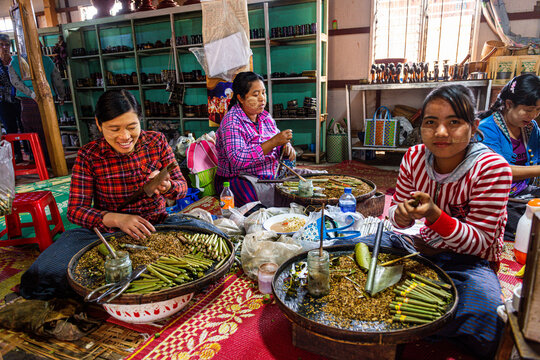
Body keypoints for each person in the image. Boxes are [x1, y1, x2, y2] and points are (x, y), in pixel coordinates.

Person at [338, 85, 512, 359]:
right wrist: (402, 214)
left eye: (454, 122)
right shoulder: (415, 157)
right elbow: (395, 217)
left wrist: (435, 216)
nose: (441, 133)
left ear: (473, 126)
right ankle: (423, 319)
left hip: (466, 261)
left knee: (487, 314)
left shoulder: (492, 169)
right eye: (431, 123)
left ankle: (405, 317)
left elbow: (480, 242)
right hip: (416, 245)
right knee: (348, 248)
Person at [19, 90, 197, 300]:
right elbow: (75, 211)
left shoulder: (156, 142)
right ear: (99, 124)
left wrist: (167, 187)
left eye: (132, 127)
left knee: (213, 237)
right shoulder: (89, 155)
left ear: (139, 120)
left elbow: (182, 187)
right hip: (106, 234)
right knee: (42, 275)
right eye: (114, 129)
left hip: (157, 227)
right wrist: (115, 219)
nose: (125, 137)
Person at [215, 71, 297, 207]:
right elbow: (238, 159)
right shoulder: (232, 121)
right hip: (238, 179)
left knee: (307, 182)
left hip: (267, 176)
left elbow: (278, 142)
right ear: (240, 98)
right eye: (255, 94)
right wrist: (273, 142)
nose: (262, 98)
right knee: (255, 201)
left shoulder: (265, 117)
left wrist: (285, 147)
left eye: (263, 93)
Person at [478, 74, 540, 240]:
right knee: (530, 227)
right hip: (494, 199)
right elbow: (499, 171)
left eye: (538, 110)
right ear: (508, 104)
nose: (533, 115)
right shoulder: (487, 130)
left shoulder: (530, 128)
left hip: (522, 193)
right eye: (528, 110)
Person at [9, 48, 66, 166]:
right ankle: (53, 160)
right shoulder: (47, 60)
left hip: (27, 102)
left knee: (32, 133)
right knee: (50, 130)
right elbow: (57, 80)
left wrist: (31, 94)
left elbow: (15, 82)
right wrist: (61, 96)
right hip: (47, 100)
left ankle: (39, 160)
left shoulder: (14, 62)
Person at [0, 34, 25, 162]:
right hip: (3, 101)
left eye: (7, 44)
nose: (4, 47)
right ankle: (16, 154)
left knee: (24, 125)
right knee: (10, 128)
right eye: (1, 45)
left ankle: (30, 152)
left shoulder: (17, 62)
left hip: (20, 99)